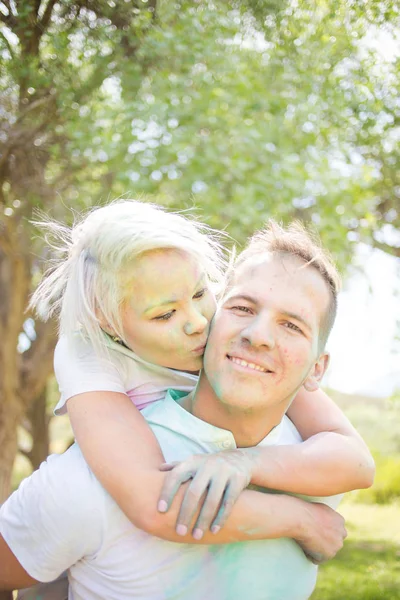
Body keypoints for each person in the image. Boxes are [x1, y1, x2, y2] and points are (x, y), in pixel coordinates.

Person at [0, 220, 358, 599]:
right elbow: (153, 502)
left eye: (291, 325)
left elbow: (356, 460)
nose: (196, 322)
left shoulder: (314, 467)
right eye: (164, 315)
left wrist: (246, 462)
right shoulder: (82, 465)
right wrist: (301, 520)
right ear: (109, 322)